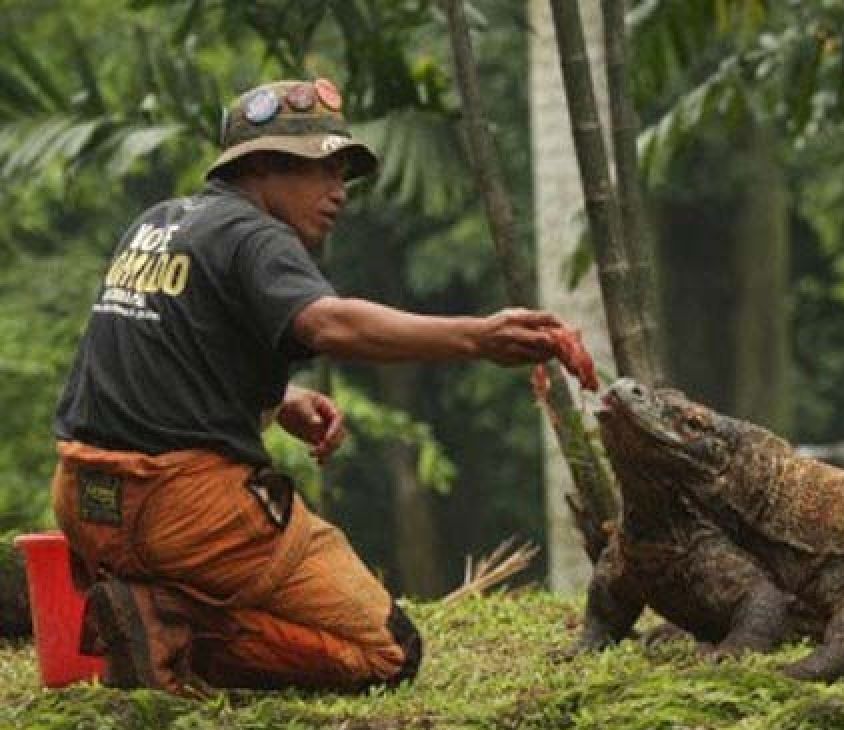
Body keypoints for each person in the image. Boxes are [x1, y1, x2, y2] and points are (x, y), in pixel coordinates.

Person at [51, 78, 568, 694]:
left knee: (274, 599)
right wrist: (476, 338)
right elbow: (329, 323)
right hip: (187, 513)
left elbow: (155, 355)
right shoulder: (257, 235)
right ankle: (170, 624)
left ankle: (146, 612)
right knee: (387, 652)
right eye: (322, 169)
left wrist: (281, 400)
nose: (338, 193)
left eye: (344, 173)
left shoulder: (158, 224)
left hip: (84, 501)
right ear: (263, 165)